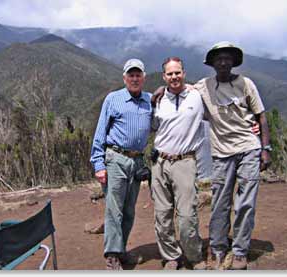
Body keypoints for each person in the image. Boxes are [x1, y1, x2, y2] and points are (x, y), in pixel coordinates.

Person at [152, 41, 271, 270]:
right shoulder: (203, 87)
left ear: (233, 62)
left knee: (245, 203)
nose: (223, 62)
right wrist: (160, 90)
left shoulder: (246, 84)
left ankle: (239, 251)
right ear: (213, 64)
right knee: (219, 203)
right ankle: (217, 247)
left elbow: (261, 116)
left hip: (248, 147)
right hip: (221, 153)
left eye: (227, 58)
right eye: (219, 59)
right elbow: (178, 88)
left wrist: (266, 149)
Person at [90, 58, 151, 270]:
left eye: (138, 75)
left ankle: (121, 249)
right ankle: (112, 256)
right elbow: (100, 132)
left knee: (129, 210)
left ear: (143, 78)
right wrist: (98, 164)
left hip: (137, 161)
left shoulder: (150, 101)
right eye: (130, 75)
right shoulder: (113, 99)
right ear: (124, 78)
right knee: (114, 210)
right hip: (115, 158)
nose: (134, 79)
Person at [151, 57, 207, 270]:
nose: (174, 77)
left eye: (177, 72)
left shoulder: (197, 95)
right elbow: (153, 125)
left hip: (185, 162)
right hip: (160, 162)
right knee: (162, 214)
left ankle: (194, 256)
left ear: (184, 73)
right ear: (164, 76)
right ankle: (171, 256)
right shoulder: (157, 99)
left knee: (186, 215)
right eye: (169, 74)